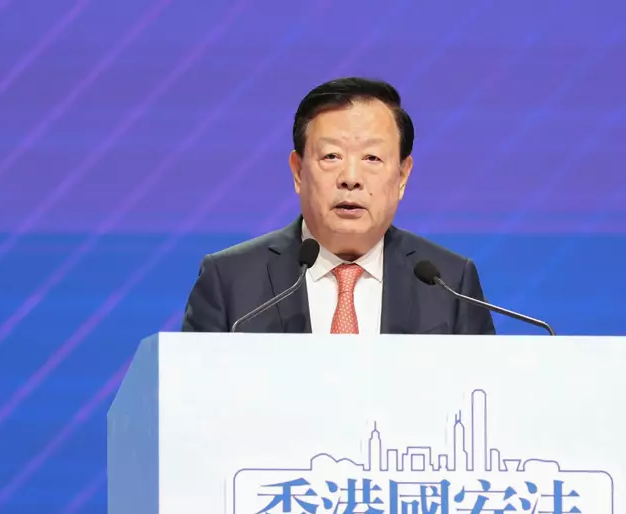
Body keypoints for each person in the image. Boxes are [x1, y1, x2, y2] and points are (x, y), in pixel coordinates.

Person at [180, 77, 496, 335]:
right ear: (298, 172)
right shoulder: (228, 280)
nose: (350, 178)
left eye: (372, 158)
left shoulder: (451, 285)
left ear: (402, 176)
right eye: (331, 156)